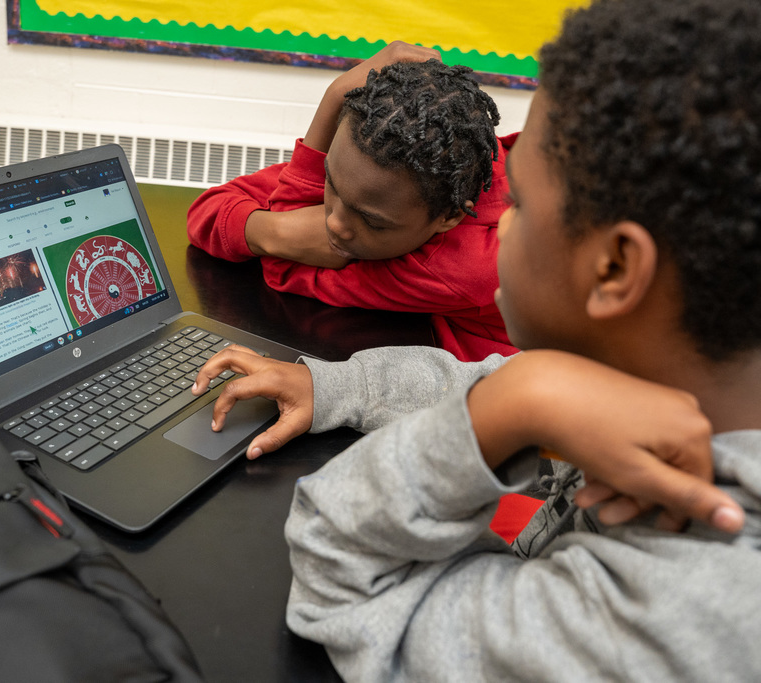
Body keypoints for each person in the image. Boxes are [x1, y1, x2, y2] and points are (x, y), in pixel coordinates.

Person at [191, 0, 761, 678]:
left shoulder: (657, 622)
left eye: (516, 198)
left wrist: (526, 395)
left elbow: (337, 570)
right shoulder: (674, 388)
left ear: (613, 267)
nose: (498, 225)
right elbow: (480, 383)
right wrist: (338, 383)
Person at [187, 42, 518, 362]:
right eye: (330, 180)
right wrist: (335, 98)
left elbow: (283, 263)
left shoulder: (469, 265)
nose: (333, 223)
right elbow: (207, 211)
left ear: (449, 216)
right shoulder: (410, 160)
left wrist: (273, 231)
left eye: (372, 222)